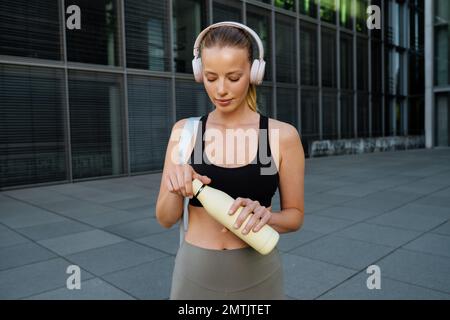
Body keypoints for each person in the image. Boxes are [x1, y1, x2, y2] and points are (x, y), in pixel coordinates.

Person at [155, 21, 305, 300]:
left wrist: (267, 216)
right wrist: (176, 188)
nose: (221, 89)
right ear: (200, 74)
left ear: (254, 72)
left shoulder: (281, 136)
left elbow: (295, 217)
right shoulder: (185, 133)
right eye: (211, 78)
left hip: (259, 272)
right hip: (195, 271)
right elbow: (165, 218)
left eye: (233, 77)